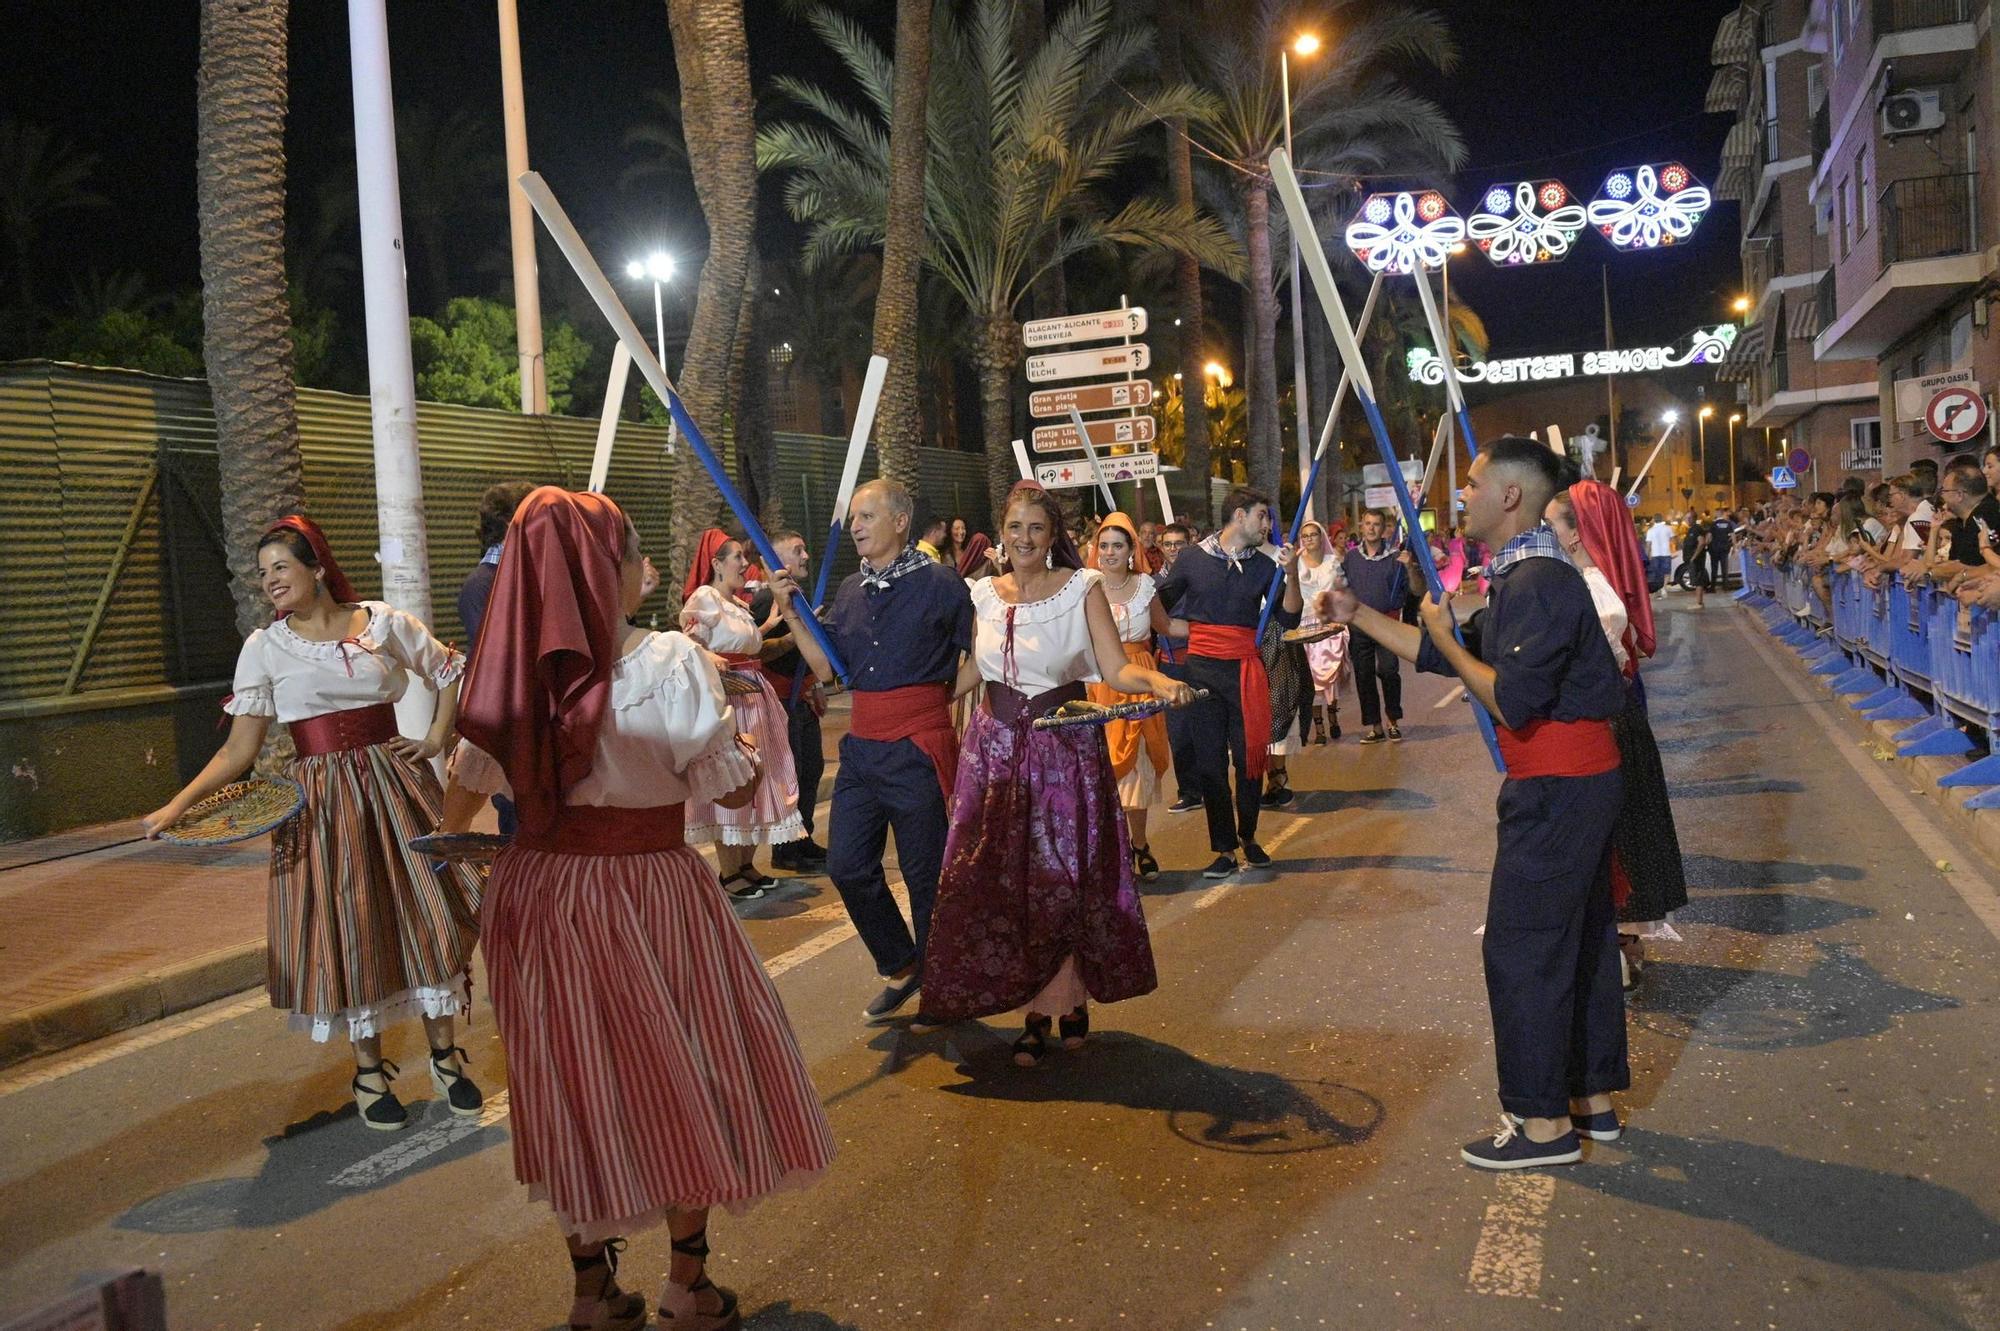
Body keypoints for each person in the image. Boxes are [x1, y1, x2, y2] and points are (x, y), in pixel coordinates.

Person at [456, 488, 832, 1331]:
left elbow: (469, 788)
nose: (642, 570)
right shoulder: (666, 659)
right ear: (603, 567)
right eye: (631, 555)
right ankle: (686, 1286)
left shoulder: (505, 675)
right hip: (646, 886)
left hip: (539, 894)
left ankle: (592, 1291)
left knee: (573, 1085)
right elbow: (726, 779)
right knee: (683, 1069)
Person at [1319, 437, 1629, 1169]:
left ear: (1510, 497)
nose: (1462, 495)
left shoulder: (1539, 581)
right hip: (1571, 785)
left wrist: (1445, 640)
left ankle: (1543, 1125)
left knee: (1521, 949)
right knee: (1575, 943)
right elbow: (1439, 648)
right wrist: (1356, 611)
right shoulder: (1522, 576)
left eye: (1473, 483)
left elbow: (1511, 699)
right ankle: (1588, 1098)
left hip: (1559, 788)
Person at [141, 516, 483, 1132]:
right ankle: (370, 1071)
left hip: (396, 782)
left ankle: (445, 1056)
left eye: (282, 567)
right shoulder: (265, 647)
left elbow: (451, 669)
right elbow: (237, 752)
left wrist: (436, 737)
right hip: (323, 801)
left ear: (317, 568)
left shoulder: (381, 621)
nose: (270, 580)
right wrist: (177, 804)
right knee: (348, 922)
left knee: (425, 910)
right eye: (263, 571)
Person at [917, 483, 1190, 1063]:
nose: (1023, 539)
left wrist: (1160, 682)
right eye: (1014, 527)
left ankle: (1055, 1006)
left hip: (1063, 749)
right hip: (992, 752)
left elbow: (1115, 667)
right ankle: (1035, 1003)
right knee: (1005, 882)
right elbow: (972, 676)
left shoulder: (1081, 589)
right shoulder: (981, 596)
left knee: (1061, 881)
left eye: (1035, 529)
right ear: (1001, 532)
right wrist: (915, 707)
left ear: (1052, 537)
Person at [795, 479, 974, 1022]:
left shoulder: (942, 583)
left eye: (867, 516)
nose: (856, 526)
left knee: (926, 877)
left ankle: (945, 986)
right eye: (854, 518)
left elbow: (983, 655)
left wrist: (938, 699)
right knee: (847, 866)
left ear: (900, 521)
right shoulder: (850, 589)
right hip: (862, 752)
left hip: (918, 745)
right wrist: (794, 612)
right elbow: (826, 669)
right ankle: (901, 963)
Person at [1547, 481, 1688, 990]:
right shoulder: (1590, 581)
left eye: (1553, 524)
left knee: (1610, 836)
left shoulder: (1590, 590)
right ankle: (1621, 941)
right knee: (1619, 832)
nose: (1547, 533)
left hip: (1602, 726)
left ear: (1575, 533)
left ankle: (1614, 944)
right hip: (1617, 717)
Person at [1155, 487, 1302, 879]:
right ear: (1239, 516)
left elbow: (1289, 618)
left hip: (1245, 671)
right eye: (1262, 516)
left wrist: (1291, 574)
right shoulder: (1192, 558)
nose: (1267, 525)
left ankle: (1249, 837)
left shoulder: (1265, 567)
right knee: (1210, 765)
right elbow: (1159, 604)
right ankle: (1224, 848)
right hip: (1202, 671)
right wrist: (1172, 628)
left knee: (1250, 758)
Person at [679, 529, 805, 898]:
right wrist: (708, 657)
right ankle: (729, 872)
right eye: (737, 557)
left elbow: (751, 646)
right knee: (734, 780)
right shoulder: (705, 599)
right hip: (730, 699)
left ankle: (747, 865)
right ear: (716, 564)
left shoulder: (736, 605)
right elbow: (687, 641)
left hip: (755, 697)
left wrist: (775, 629)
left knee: (758, 778)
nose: (745, 563)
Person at [440, 480, 540, 837]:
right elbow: (500, 662)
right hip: (513, 728)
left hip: (530, 724)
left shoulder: (516, 578)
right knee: (519, 826)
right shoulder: (485, 584)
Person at [1086, 512, 1179, 882]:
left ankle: (1138, 845)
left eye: (1117, 546)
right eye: (1103, 545)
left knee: (1136, 770)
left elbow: (1168, 627)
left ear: (1131, 551)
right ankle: (1115, 852)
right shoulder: (1084, 588)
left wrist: (1219, 628)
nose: (1109, 552)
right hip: (1098, 684)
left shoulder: (1145, 587)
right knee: (1104, 773)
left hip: (1139, 683)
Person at [748, 530, 828, 875]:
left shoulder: (796, 596)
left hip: (800, 698)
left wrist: (813, 682)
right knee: (790, 774)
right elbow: (757, 649)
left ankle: (803, 838)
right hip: (781, 701)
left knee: (811, 768)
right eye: (798, 550)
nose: (806, 555)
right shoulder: (768, 602)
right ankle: (786, 848)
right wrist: (799, 637)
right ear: (776, 560)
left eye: (805, 548)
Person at [1341, 510, 1407, 742]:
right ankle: (1376, 726)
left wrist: (1410, 568)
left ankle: (1393, 721)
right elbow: (1343, 587)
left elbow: (1407, 590)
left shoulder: (1395, 558)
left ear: (1384, 528)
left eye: (1376, 524)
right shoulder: (1351, 558)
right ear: (1362, 526)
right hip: (1359, 625)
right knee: (1363, 675)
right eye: (1367, 523)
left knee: (1389, 670)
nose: (1371, 528)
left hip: (1387, 624)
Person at [1156, 522, 1204, 815]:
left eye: (1179, 544)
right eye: (1169, 544)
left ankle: (1211, 786)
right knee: (1179, 731)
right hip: (1169, 664)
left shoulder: (1201, 579)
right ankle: (1189, 791)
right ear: (1161, 547)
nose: (1174, 549)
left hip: (1201, 660)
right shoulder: (1150, 583)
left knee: (1206, 727)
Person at [1295, 519, 1347, 744]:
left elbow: (1342, 590)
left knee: (1330, 678)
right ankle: (1319, 728)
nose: (1309, 539)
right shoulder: (1295, 562)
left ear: (1321, 536)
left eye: (1313, 535)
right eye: (1305, 535)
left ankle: (1333, 715)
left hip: (1329, 626)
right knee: (1311, 680)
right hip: (1304, 626)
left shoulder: (1332, 561)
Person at [1680, 519, 1712, 608]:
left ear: (1690, 519)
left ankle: (1699, 603)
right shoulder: (1692, 529)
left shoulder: (1696, 529)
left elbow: (1702, 543)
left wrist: (1694, 557)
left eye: (1686, 518)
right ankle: (1699, 602)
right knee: (1698, 580)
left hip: (1697, 560)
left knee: (1698, 580)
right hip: (1695, 559)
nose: (1685, 520)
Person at [1644, 514, 1675, 594]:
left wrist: (1647, 555)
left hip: (1655, 554)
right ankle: (1664, 588)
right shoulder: (1668, 528)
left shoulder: (1650, 530)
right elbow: (1673, 541)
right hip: (1666, 553)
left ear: (1654, 520)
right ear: (1662, 519)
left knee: (1656, 573)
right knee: (1666, 572)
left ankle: (1657, 589)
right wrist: (1673, 551)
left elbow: (1648, 545)